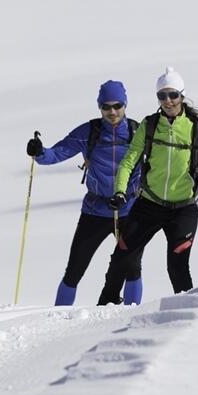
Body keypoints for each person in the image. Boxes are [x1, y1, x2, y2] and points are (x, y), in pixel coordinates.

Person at [98, 66, 198, 302]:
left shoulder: (196, 128)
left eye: (173, 95)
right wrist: (120, 192)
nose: (168, 101)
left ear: (182, 95)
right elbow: (129, 162)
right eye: (162, 96)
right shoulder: (149, 125)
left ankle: (188, 312)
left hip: (183, 209)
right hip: (149, 204)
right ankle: (103, 307)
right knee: (122, 256)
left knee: (177, 266)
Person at [27, 79, 145, 306]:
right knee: (74, 270)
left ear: (125, 104)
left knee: (132, 268)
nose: (112, 111)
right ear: (99, 106)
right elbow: (56, 154)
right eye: (106, 106)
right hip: (95, 211)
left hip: (129, 209)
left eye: (117, 105)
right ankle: (56, 322)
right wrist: (39, 152)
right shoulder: (89, 132)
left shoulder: (137, 132)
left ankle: (133, 320)